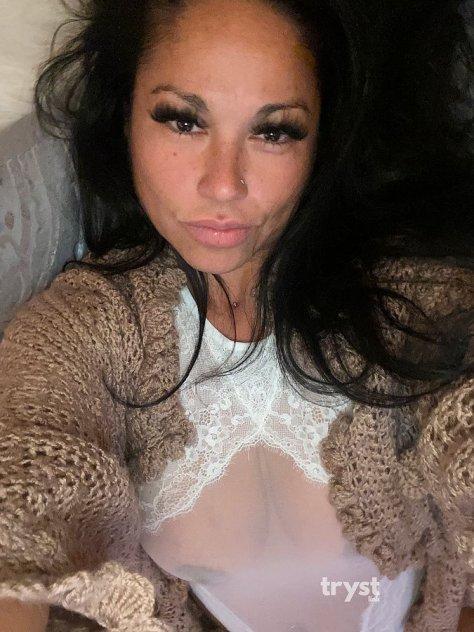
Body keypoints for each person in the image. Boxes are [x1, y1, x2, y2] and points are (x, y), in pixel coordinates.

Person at [0, 0, 472, 631]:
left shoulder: (413, 296)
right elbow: (26, 491)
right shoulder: (79, 330)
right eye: (183, 121)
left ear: (321, 140)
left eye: (274, 131)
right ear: (124, 117)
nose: (224, 184)